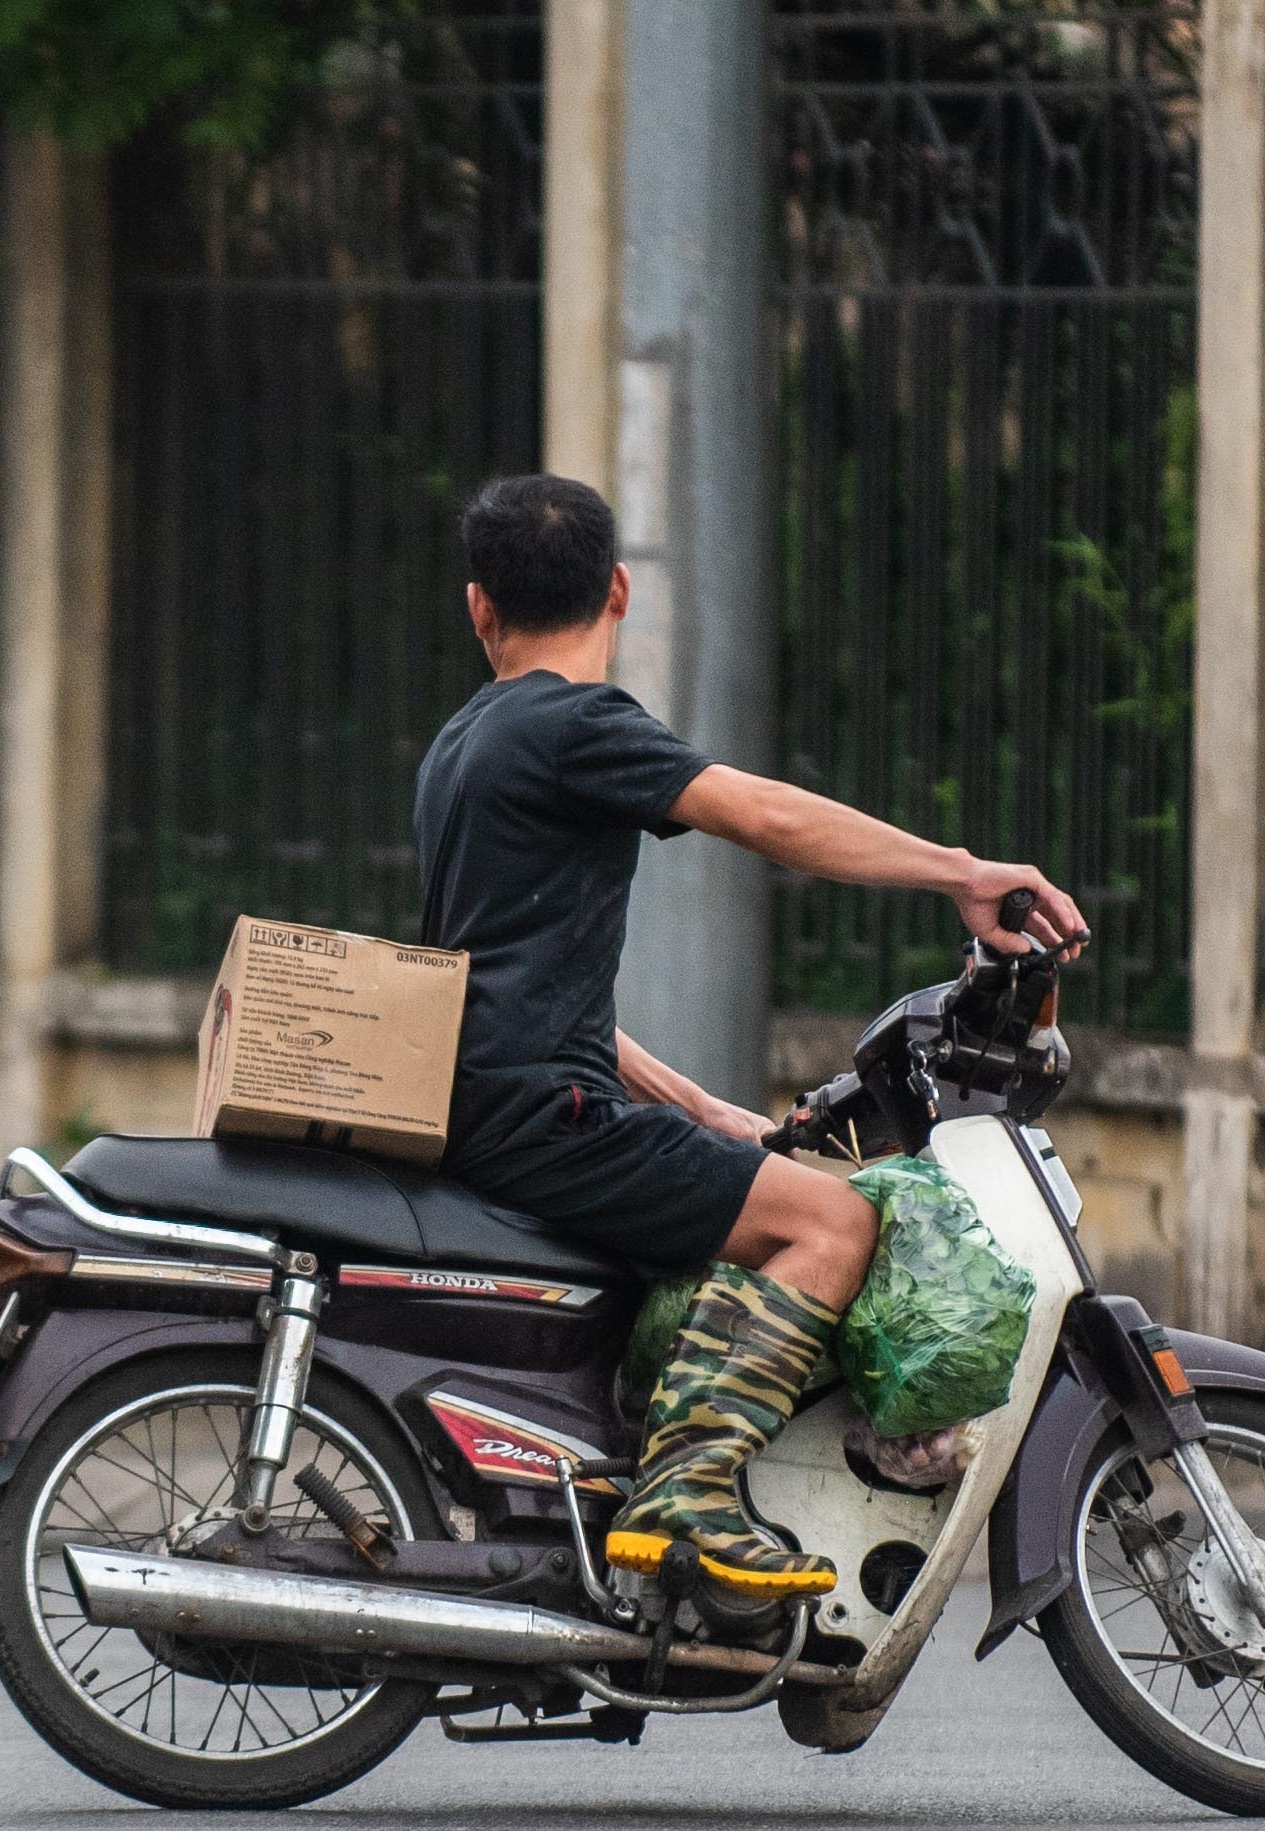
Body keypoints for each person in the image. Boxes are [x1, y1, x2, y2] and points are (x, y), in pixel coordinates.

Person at [416, 473, 1086, 1603]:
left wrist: (695, 1106)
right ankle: (685, 1494)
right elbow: (767, 817)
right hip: (546, 1123)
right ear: (617, 590)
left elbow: (499, 987)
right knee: (834, 1218)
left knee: (762, 1192)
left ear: (479, 608)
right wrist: (961, 872)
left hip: (498, 1109)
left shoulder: (461, 745)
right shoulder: (576, 726)